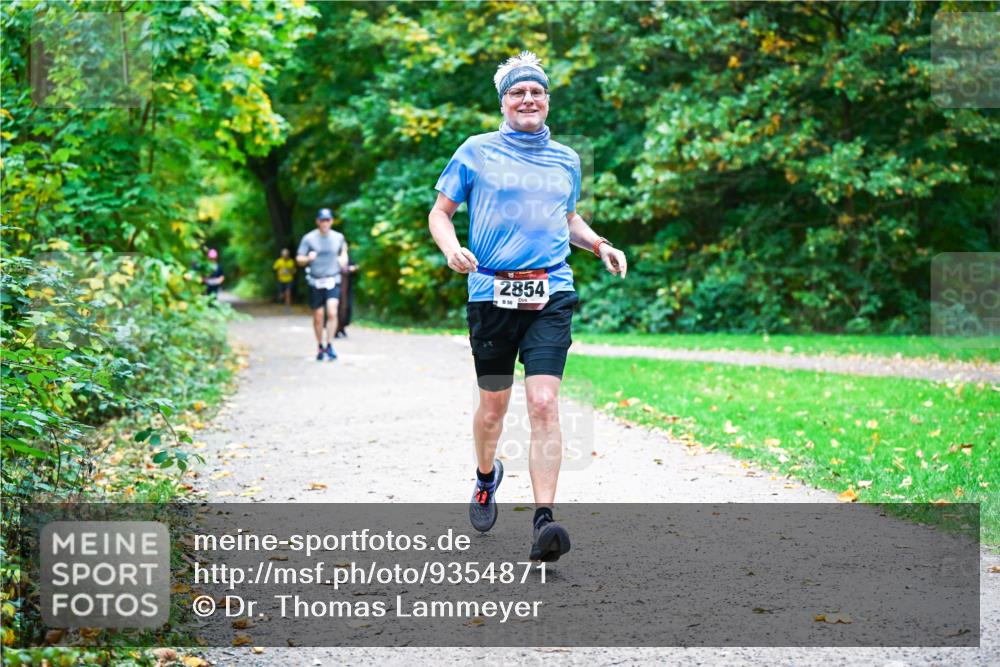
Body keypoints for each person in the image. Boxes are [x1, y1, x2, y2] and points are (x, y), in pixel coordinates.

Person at [428, 51, 627, 561]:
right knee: (493, 409)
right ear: (503, 101)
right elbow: (441, 213)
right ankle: (485, 477)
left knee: (542, 403)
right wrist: (452, 249)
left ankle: (545, 522)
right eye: (517, 92)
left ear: (547, 100)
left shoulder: (566, 159)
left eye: (536, 91)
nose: (528, 99)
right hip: (491, 292)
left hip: (551, 292)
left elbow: (568, 218)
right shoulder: (475, 151)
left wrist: (600, 244)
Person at [296, 208, 348, 361]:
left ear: (331, 221)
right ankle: (320, 345)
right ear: (317, 221)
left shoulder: (338, 237)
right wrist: (307, 259)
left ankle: (330, 344)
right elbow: (299, 258)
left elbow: (344, 251)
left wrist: (343, 259)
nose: (325, 223)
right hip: (315, 280)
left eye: (328, 220)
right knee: (318, 316)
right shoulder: (309, 238)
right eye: (322, 220)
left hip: (333, 279)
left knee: (332, 312)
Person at [335, 248, 358, 338]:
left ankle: (342, 328)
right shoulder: (334, 259)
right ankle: (336, 329)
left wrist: (353, 269)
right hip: (337, 289)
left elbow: (356, 267)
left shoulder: (349, 259)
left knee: (346, 309)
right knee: (337, 309)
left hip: (346, 289)